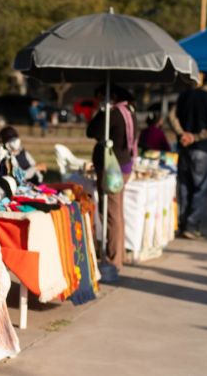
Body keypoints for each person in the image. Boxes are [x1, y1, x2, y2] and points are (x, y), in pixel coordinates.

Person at [168, 70, 207, 239]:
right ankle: (192, 226)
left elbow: (172, 116)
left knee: (184, 186)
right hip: (203, 149)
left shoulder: (186, 95)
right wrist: (196, 137)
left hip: (184, 148)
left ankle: (183, 222)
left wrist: (182, 134)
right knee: (201, 188)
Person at [87, 85, 136, 276]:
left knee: (111, 214)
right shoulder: (128, 111)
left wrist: (102, 112)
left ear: (110, 97)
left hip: (112, 170)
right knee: (116, 213)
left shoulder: (114, 114)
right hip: (121, 167)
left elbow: (92, 131)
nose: (98, 101)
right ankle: (117, 255)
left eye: (100, 97)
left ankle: (114, 260)